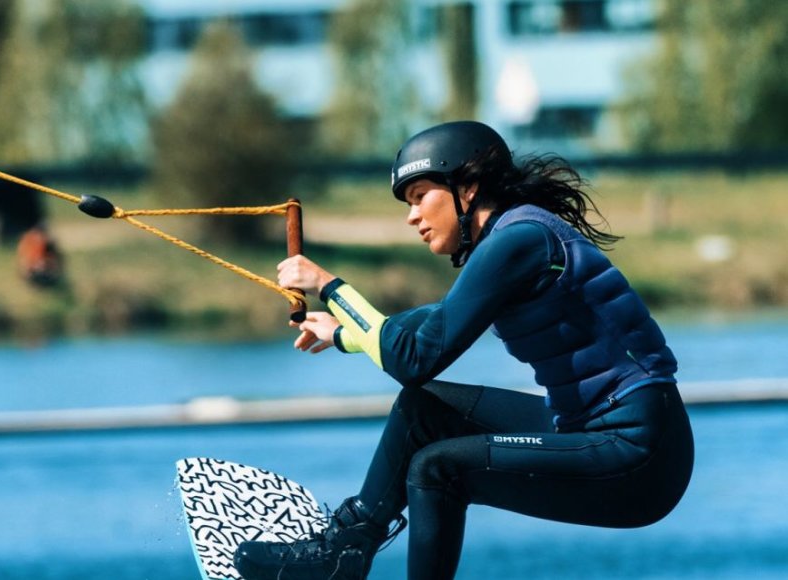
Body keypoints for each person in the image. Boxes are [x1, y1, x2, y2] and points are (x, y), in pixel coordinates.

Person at [233, 121, 694, 580]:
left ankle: (344, 558)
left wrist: (329, 287)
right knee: (423, 411)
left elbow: (414, 360)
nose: (411, 216)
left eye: (419, 197)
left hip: (639, 452)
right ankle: (344, 551)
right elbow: (432, 326)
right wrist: (342, 334)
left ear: (467, 189)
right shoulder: (512, 239)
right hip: (586, 427)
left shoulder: (521, 239)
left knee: (438, 469)